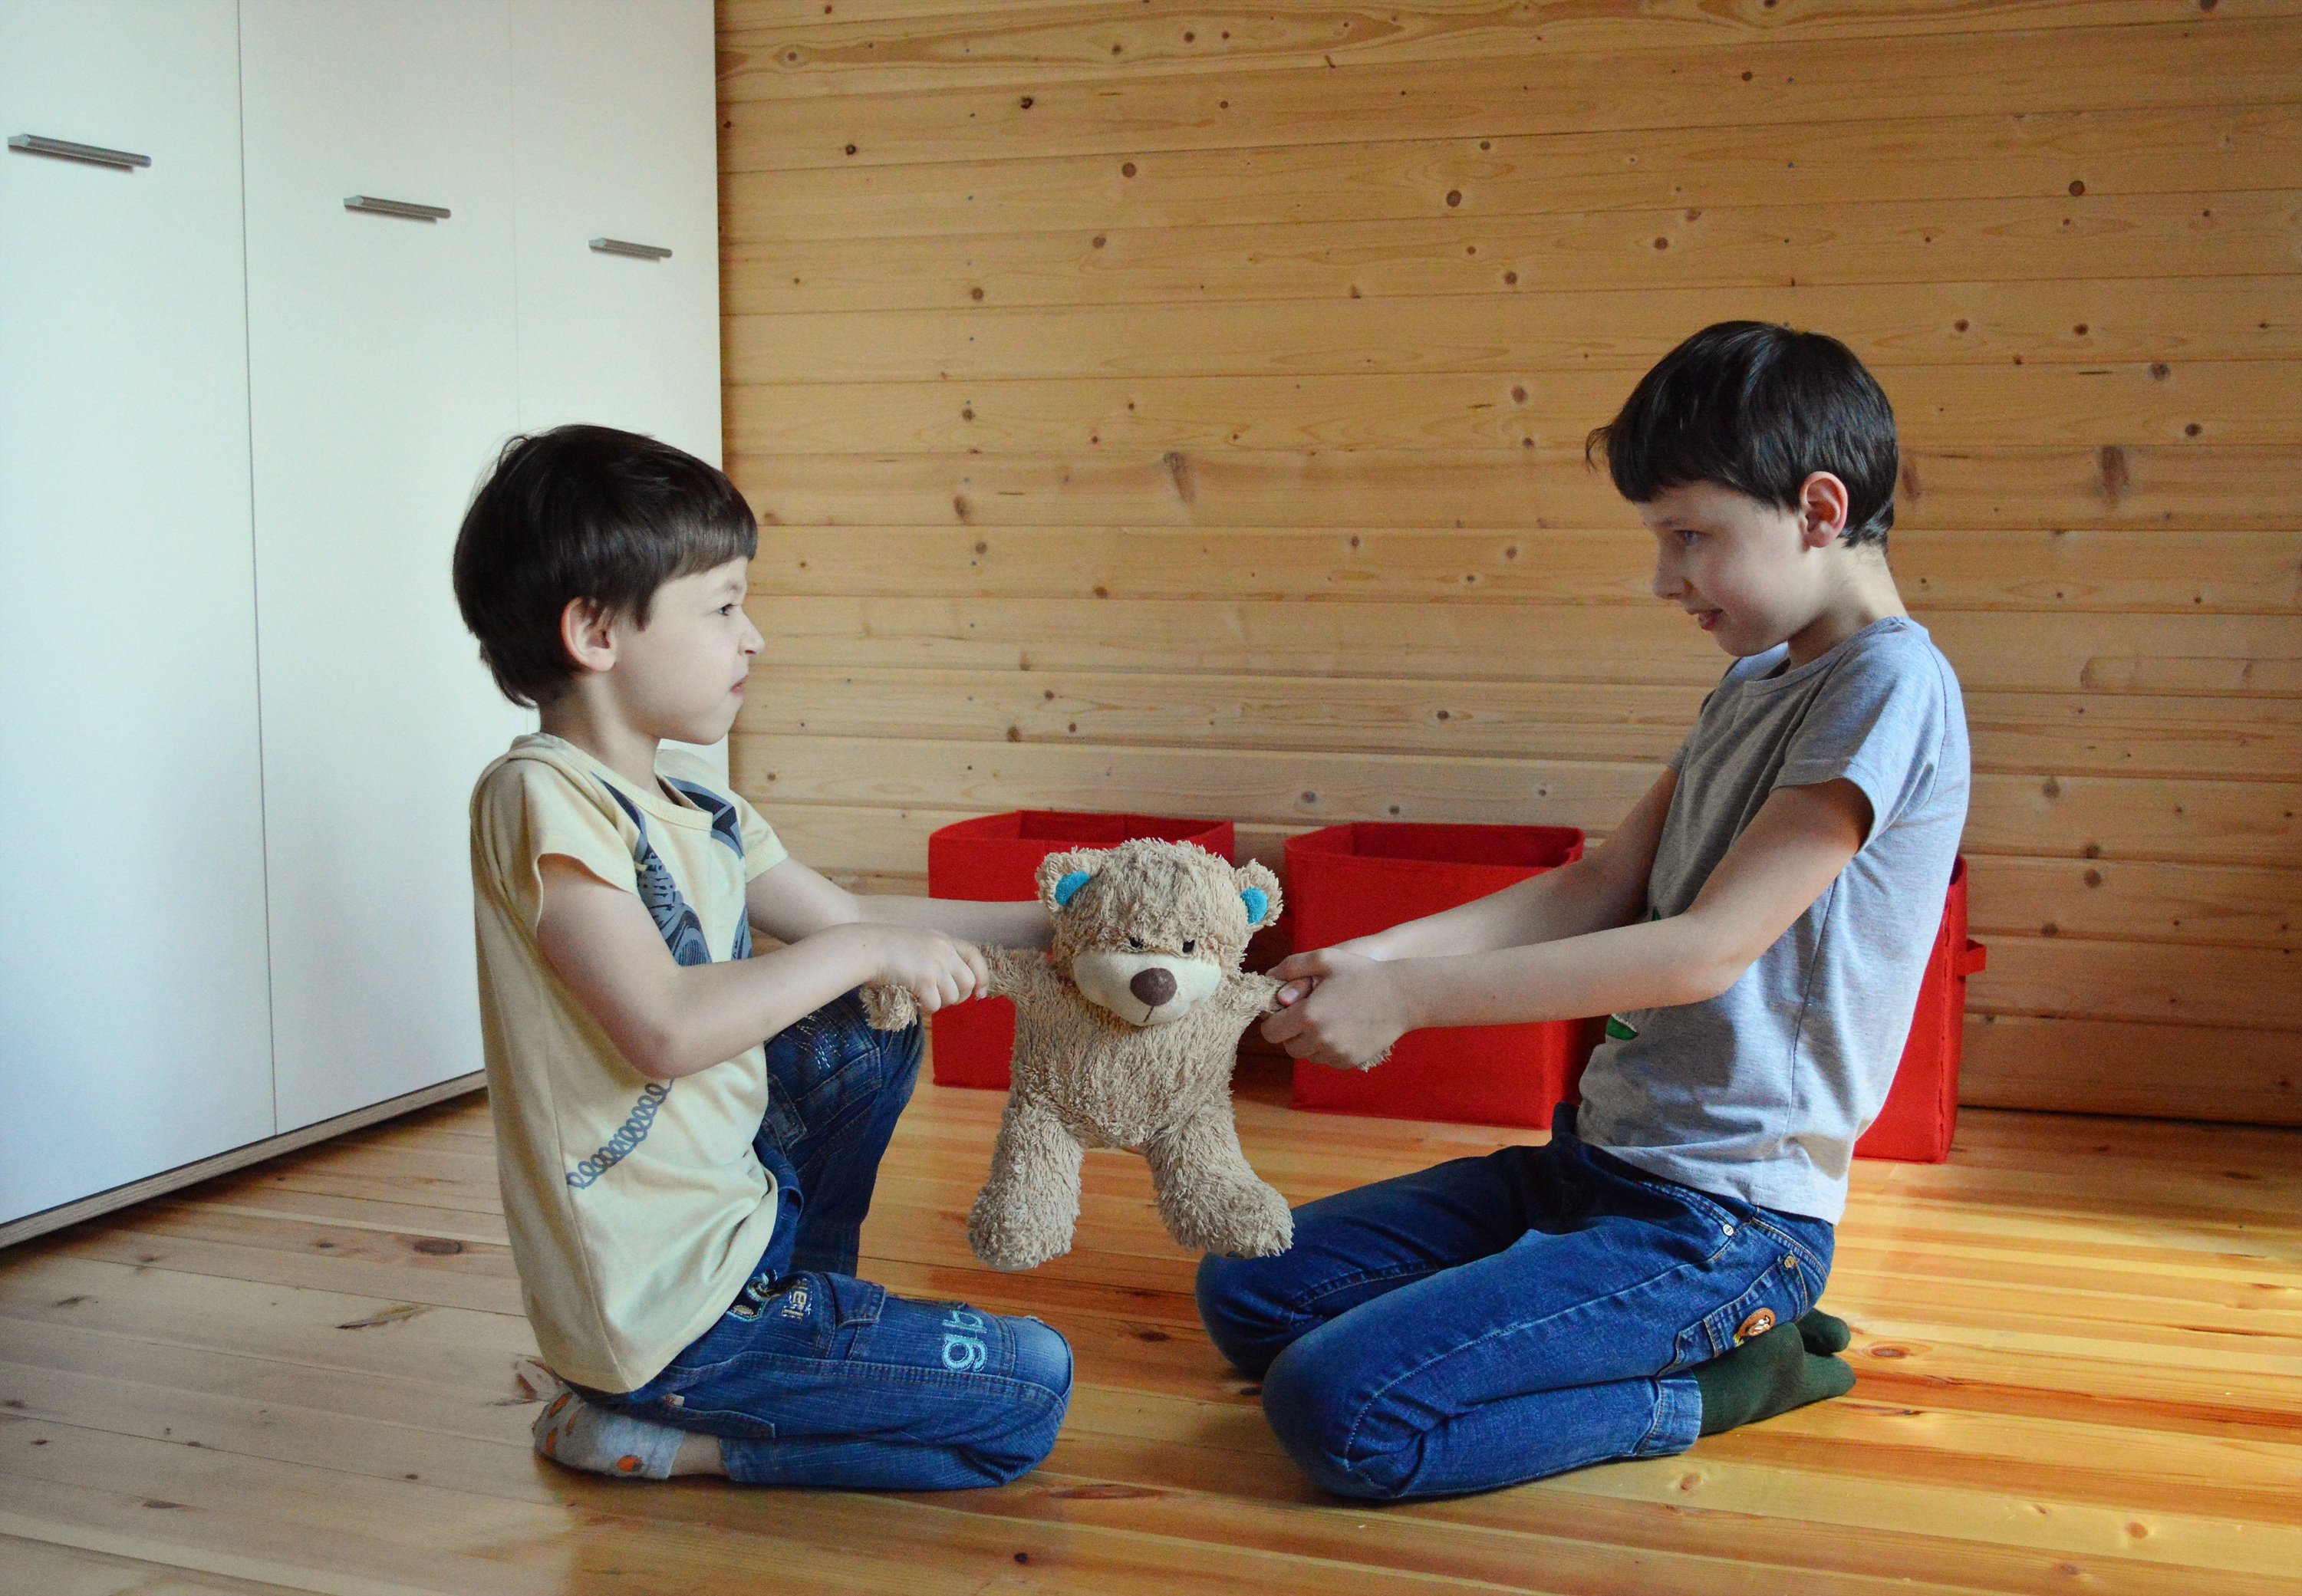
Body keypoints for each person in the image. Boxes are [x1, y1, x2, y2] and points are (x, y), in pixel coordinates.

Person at [1198, 321, 1971, 1500]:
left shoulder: (1890, 684)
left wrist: (1408, 998)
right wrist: (1374, 950)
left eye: (1689, 537)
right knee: (1247, 1288)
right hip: (1593, 1165)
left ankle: (1723, 1377)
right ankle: (1562, 1318)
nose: (1665, 578)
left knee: (1339, 1410)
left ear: (1819, 509)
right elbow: (1595, 885)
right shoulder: (1755, 680)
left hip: (1722, 1222)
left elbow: (1704, 951)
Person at [453, 425, 1069, 1488]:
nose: (756, 638)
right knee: (1028, 1392)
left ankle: (800, 1313)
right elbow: (662, 1027)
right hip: (658, 1316)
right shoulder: (540, 795)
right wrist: (872, 945)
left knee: (866, 1029)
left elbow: (846, 920)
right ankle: (667, 1433)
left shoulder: (701, 804)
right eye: (725, 605)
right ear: (596, 630)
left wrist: (1060, 925)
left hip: (739, 1231)